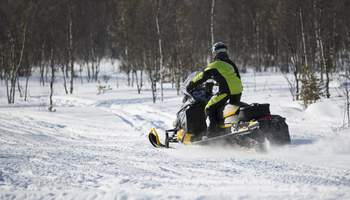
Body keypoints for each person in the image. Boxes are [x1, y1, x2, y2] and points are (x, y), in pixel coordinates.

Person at [186, 42, 243, 137]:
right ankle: (226, 131)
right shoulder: (231, 63)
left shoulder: (215, 64)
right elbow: (234, 76)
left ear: (215, 53)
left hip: (226, 91)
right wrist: (217, 81)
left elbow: (202, 76)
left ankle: (212, 133)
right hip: (238, 90)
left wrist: (191, 85)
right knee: (226, 110)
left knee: (209, 108)